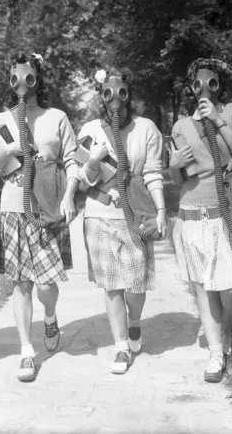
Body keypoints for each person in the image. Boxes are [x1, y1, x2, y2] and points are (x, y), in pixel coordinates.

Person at [168, 58, 232, 383]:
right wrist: (173, 164)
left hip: (227, 214)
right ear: (191, 87)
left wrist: (219, 120)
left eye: (210, 81)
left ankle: (225, 327)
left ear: (219, 83)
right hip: (193, 213)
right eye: (196, 83)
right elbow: (179, 181)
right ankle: (214, 353)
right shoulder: (181, 125)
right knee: (203, 285)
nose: (203, 88)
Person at [0, 52, 79, 382]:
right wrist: (8, 150)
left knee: (45, 284)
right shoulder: (3, 120)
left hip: (46, 208)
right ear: (11, 80)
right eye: (16, 76)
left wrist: (69, 196)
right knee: (20, 284)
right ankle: (26, 351)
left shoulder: (57, 117)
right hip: (13, 208)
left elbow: (74, 160)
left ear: (37, 77)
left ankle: (50, 314)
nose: (22, 81)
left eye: (28, 75)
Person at [76, 68, 167, 374]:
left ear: (129, 93)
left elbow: (153, 173)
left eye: (121, 92)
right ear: (101, 97)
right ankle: (120, 346)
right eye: (108, 93)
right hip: (99, 216)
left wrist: (162, 211)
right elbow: (83, 180)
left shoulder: (146, 129)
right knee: (112, 285)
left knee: (136, 284)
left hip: (136, 216)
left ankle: (135, 321)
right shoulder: (90, 130)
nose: (115, 99)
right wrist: (91, 160)